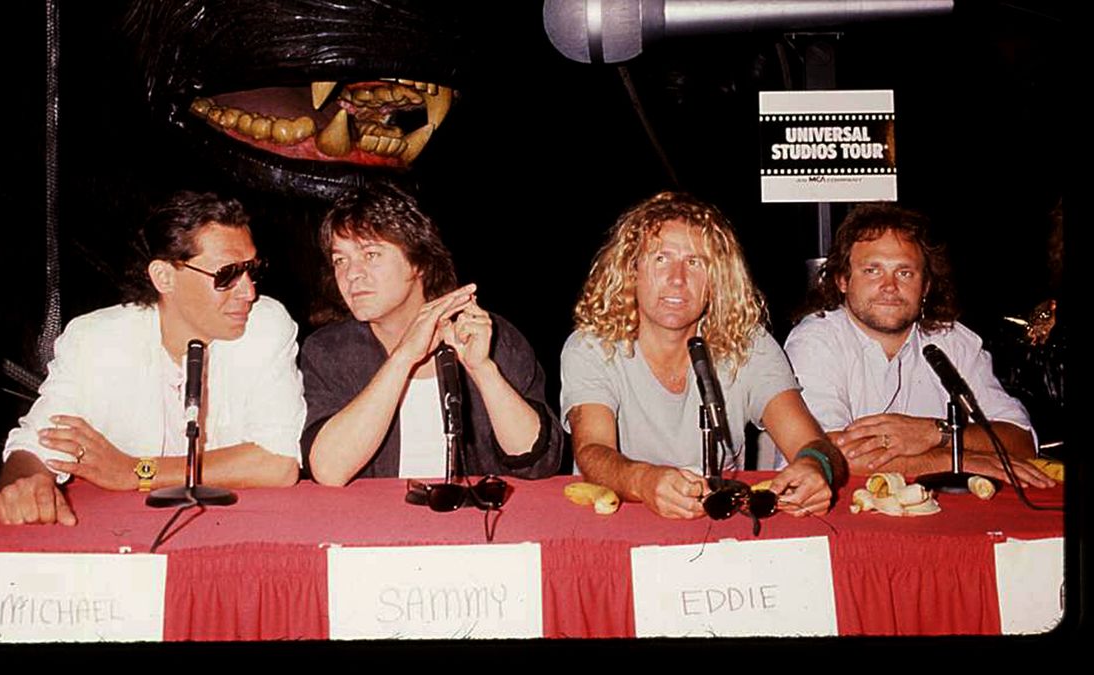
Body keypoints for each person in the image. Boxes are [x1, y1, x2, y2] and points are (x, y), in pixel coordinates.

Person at [0, 191, 306, 525]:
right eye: (227, 274)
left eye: (252, 271)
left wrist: (136, 472)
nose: (249, 292)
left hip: (240, 527)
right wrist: (27, 487)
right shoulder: (97, 342)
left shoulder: (266, 326)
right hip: (126, 534)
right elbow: (32, 449)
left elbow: (278, 462)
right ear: (164, 277)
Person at [560, 191, 844, 520]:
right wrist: (643, 481)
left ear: (717, 280)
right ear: (632, 269)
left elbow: (816, 445)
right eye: (661, 259)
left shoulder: (749, 345)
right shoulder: (592, 346)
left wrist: (814, 467)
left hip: (720, 525)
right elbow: (592, 451)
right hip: (619, 521)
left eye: (695, 263)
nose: (677, 279)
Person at [299, 182, 562, 485]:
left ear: (419, 262)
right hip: (370, 527)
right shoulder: (328, 351)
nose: (351, 274)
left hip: (475, 524)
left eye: (370, 254)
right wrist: (403, 358)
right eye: (340, 260)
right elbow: (329, 470)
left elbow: (540, 463)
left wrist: (483, 369)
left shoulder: (491, 336)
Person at [783, 202, 1053, 487]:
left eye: (905, 273)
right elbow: (832, 456)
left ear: (925, 286)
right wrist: (961, 460)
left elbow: (1021, 442)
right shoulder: (815, 340)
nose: (889, 286)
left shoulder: (954, 341)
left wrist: (937, 433)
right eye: (872, 270)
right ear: (842, 280)